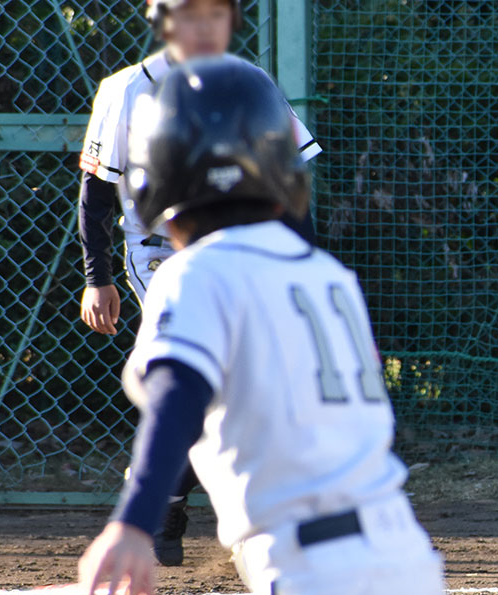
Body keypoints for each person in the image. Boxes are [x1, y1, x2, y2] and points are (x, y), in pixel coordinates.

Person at [72, 56, 455, 595]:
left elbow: (177, 400)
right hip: (411, 566)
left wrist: (132, 522)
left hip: (313, 579)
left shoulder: (194, 272)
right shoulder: (328, 275)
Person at [76, 0, 321, 566]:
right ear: (158, 17)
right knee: (209, 374)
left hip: (253, 245)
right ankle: (165, 497)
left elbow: (293, 178)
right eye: (187, 11)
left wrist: (305, 267)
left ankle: (168, 490)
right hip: (163, 250)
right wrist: (98, 278)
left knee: (244, 377)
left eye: (215, 11)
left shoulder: (250, 84)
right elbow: (94, 196)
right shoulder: (126, 89)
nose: (202, 24)